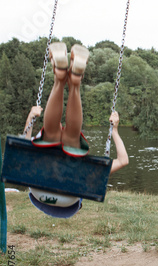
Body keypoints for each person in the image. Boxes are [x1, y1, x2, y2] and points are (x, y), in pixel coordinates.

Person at [23, 42, 129, 218]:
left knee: (70, 139)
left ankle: (74, 83)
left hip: (69, 195)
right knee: (52, 135)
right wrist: (30, 118)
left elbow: (123, 160)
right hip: (39, 189)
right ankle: (60, 79)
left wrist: (115, 129)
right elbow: (25, 146)